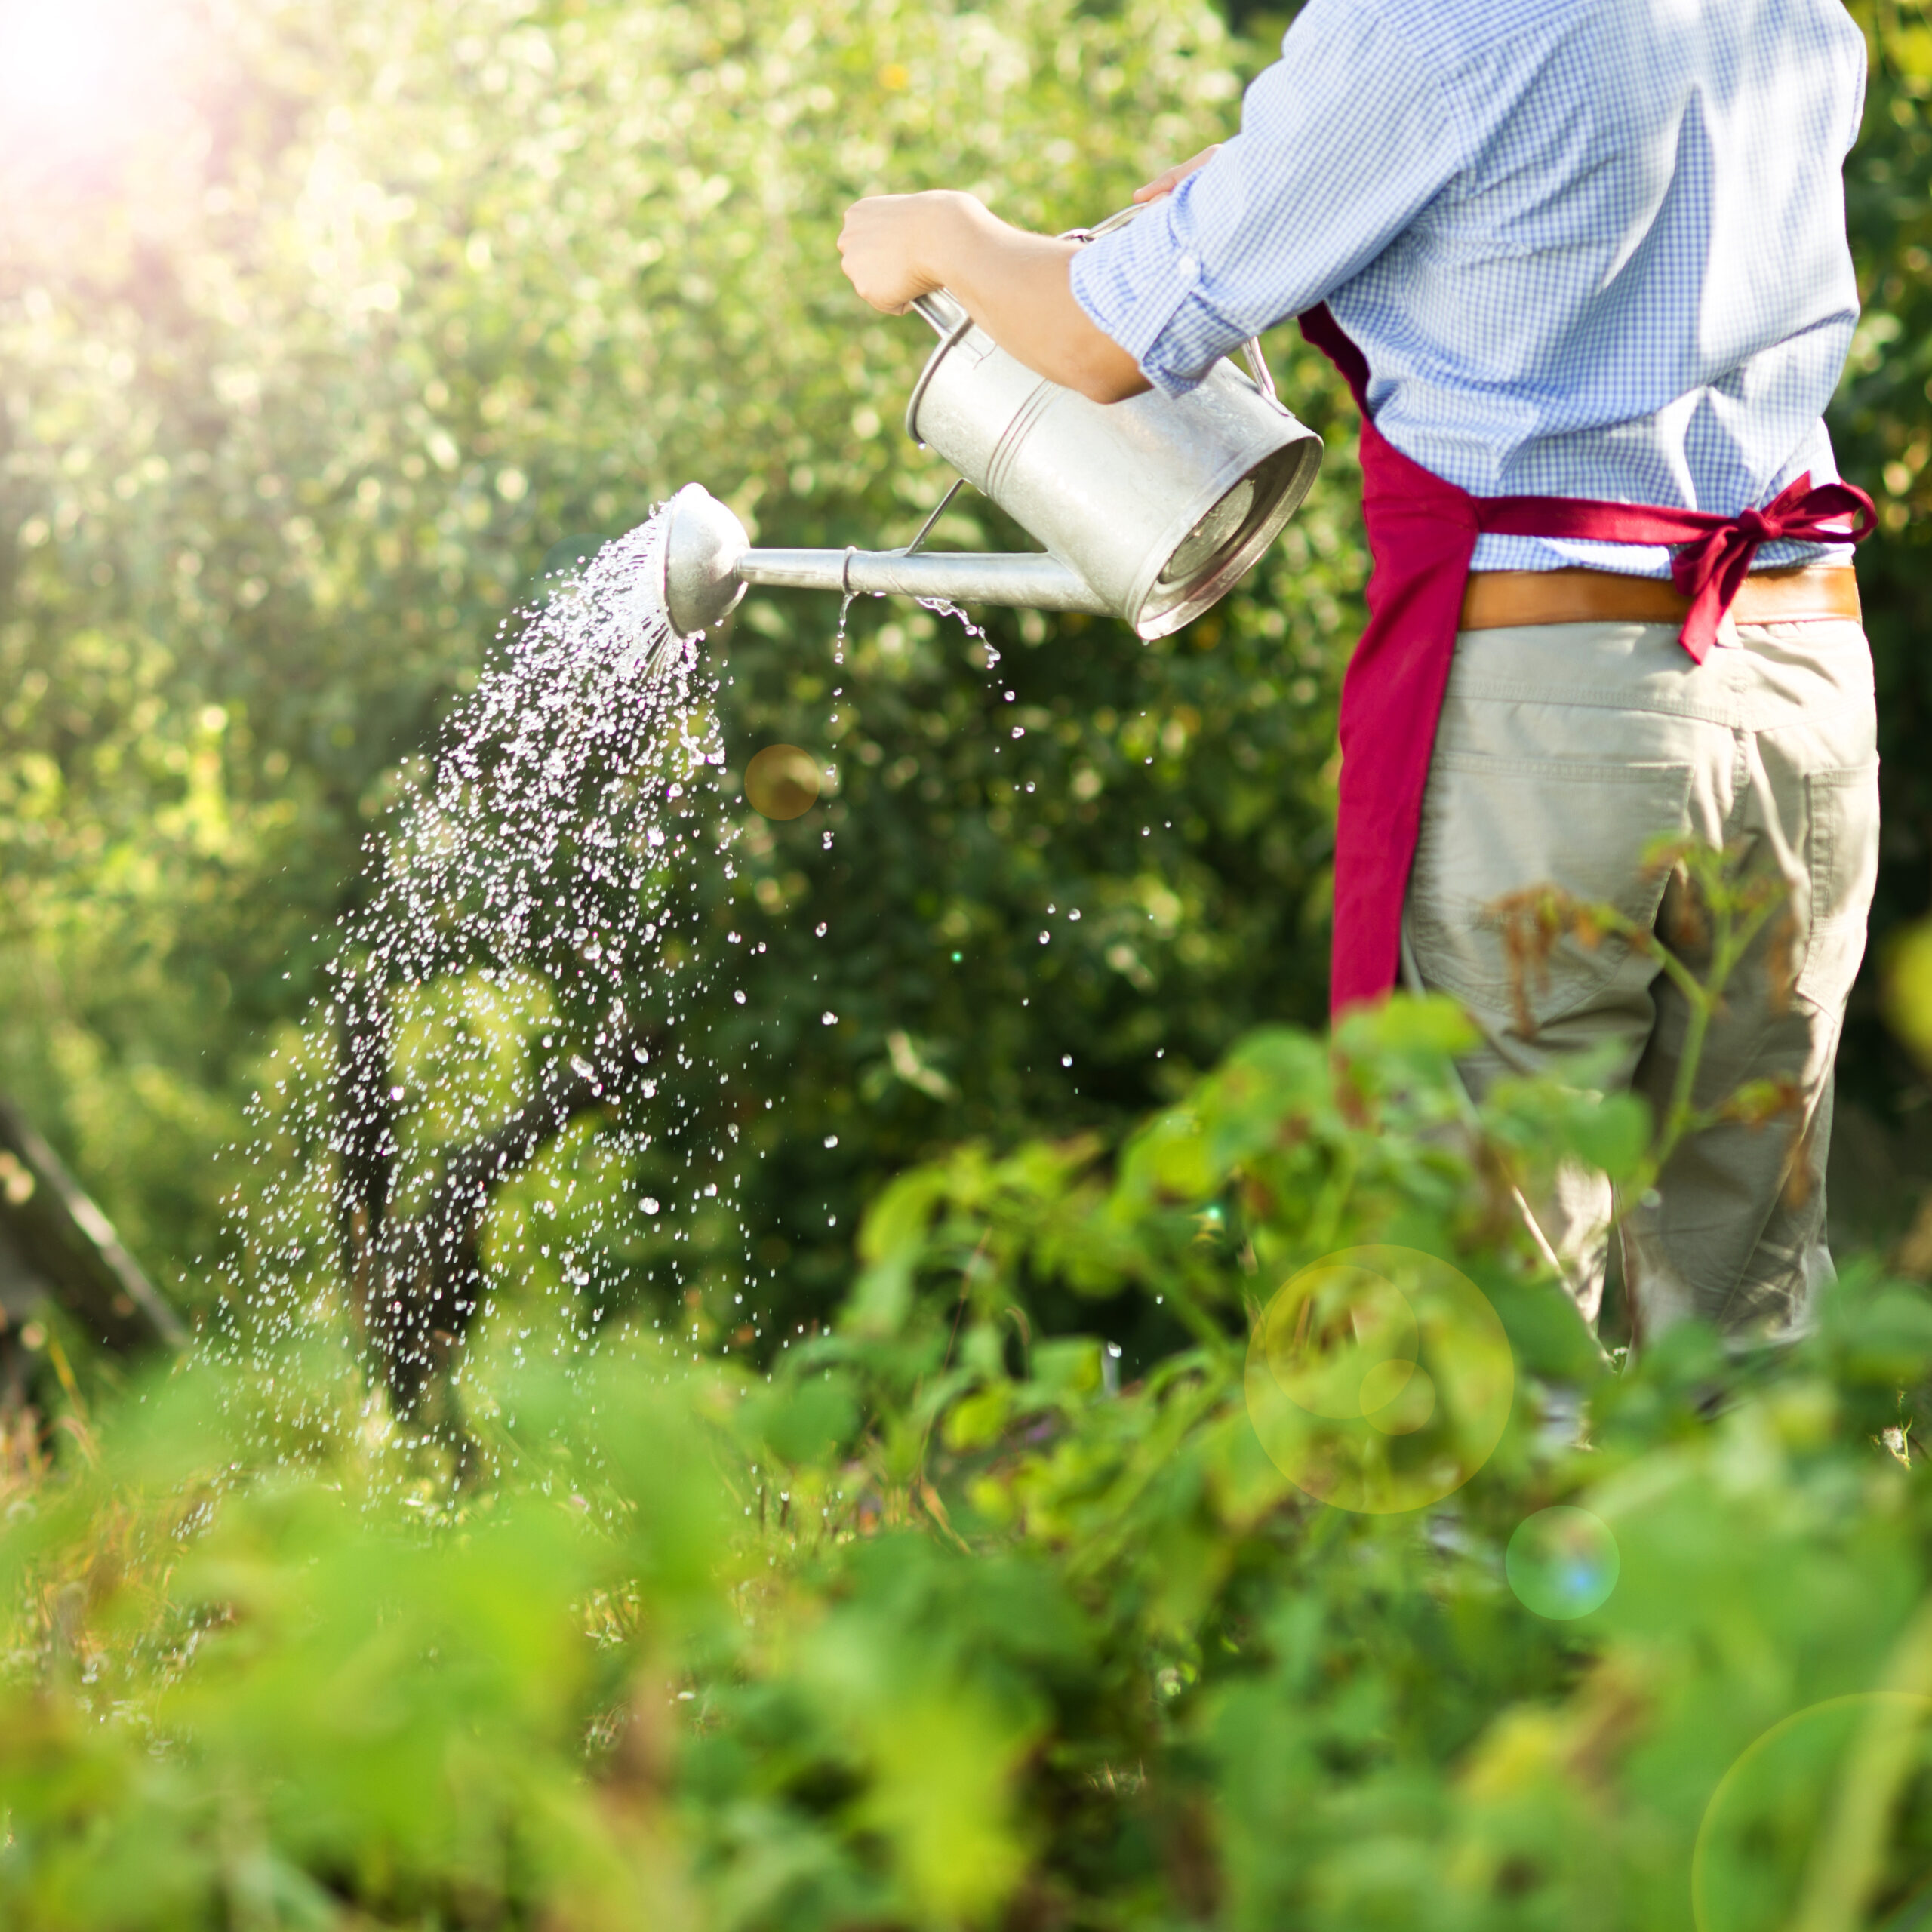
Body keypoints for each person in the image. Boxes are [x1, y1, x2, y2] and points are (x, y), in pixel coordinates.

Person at [836, 0, 1878, 1347]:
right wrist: (1265, 177)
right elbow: (1579, 190)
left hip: (1559, 699)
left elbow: (1105, 337)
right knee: (1752, 1306)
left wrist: (941, 234)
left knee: (1487, 1305)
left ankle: (1463, 1556)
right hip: (1802, 678)